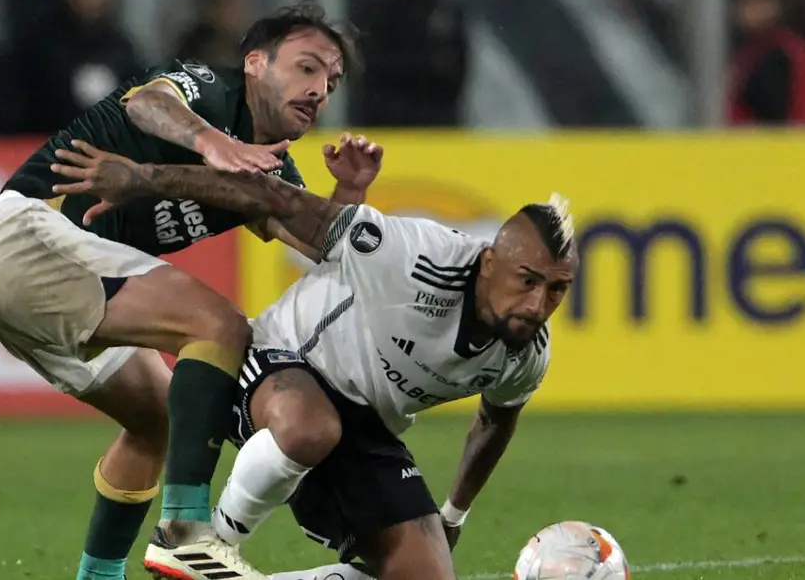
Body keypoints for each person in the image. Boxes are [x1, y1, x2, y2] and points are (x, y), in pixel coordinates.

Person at [0, 1, 379, 580]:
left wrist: (349, 193)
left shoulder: (272, 171)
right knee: (218, 326)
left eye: (331, 82)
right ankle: (185, 532)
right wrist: (212, 143)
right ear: (255, 63)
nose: (319, 90)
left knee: (157, 418)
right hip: (25, 240)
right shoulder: (209, 90)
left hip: (44, 279)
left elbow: (326, 253)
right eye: (307, 67)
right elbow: (145, 103)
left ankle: (98, 576)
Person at [50, 142, 577, 579]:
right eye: (527, 281)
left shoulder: (527, 353)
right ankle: (198, 544)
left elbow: (495, 421)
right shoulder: (414, 255)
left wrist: (453, 514)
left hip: (364, 429)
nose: (538, 304)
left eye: (556, 289)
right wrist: (144, 178)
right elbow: (273, 199)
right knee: (311, 426)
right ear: (489, 262)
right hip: (276, 360)